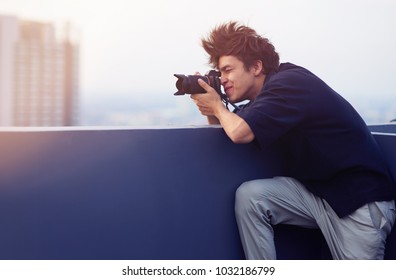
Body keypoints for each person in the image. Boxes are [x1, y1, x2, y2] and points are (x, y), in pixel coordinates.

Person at [190, 21, 396, 259]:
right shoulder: (265, 100)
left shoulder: (290, 83)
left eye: (228, 70)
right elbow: (228, 126)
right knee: (252, 197)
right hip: (320, 195)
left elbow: (240, 132)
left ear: (256, 67)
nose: (223, 79)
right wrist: (209, 106)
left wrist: (216, 105)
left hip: (359, 204)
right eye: (219, 73)